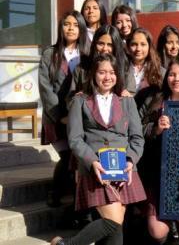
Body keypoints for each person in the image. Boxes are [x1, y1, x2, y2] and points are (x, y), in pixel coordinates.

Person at [50, 53, 145, 245]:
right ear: (94, 74)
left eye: (112, 72)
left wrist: (130, 160)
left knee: (115, 225)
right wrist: (92, 161)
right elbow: (75, 139)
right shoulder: (80, 100)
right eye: (102, 72)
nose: (107, 77)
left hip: (124, 169)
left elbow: (137, 137)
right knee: (113, 221)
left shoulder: (127, 101)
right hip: (95, 168)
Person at [139, 56, 179, 244]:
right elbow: (140, 130)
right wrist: (156, 128)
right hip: (158, 174)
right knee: (157, 230)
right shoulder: (157, 101)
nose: (177, 79)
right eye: (172, 74)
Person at [39, 10, 89, 208]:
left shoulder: (86, 55)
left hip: (79, 117)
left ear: (81, 29)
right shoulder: (50, 54)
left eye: (75, 25)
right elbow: (45, 88)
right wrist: (60, 116)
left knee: (77, 157)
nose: (71, 28)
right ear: (61, 28)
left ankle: (76, 200)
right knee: (67, 155)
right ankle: (55, 191)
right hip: (55, 118)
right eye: (67, 24)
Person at [69, 25, 134, 100]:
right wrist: (77, 98)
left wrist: (127, 96)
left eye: (110, 45)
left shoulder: (125, 67)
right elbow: (70, 98)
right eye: (101, 44)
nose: (105, 49)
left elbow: (131, 93)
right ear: (94, 44)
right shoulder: (82, 68)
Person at [126, 27, 165, 110]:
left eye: (143, 44)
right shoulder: (121, 69)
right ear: (128, 47)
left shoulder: (160, 72)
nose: (138, 49)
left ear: (149, 47)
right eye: (134, 44)